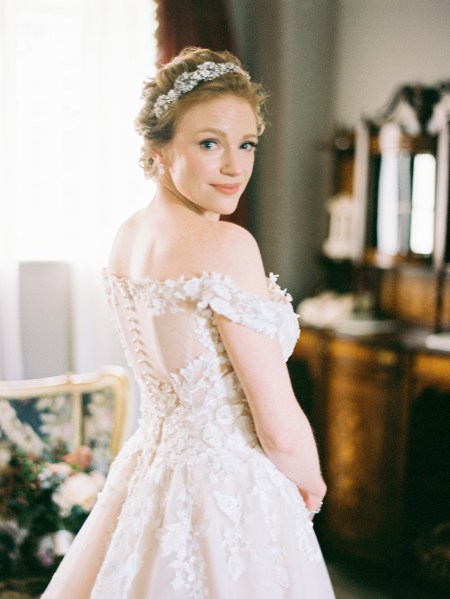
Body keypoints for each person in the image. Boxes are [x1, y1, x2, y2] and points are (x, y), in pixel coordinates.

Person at [42, 47, 335, 599]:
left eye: (246, 144)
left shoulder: (128, 235)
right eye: (209, 143)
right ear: (157, 149)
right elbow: (275, 420)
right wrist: (310, 480)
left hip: (152, 470)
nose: (235, 166)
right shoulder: (225, 244)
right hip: (230, 487)